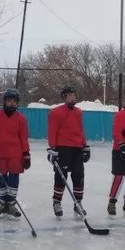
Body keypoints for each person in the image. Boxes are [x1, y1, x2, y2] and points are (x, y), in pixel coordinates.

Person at [0, 88, 31, 218]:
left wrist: (26, 154)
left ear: (17, 103)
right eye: (9, 101)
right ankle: (3, 203)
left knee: (13, 179)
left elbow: (24, 137)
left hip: (15, 154)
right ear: (4, 101)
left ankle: (11, 204)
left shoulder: (21, 118)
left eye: (14, 101)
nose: (12, 104)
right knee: (1, 179)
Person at [47, 85, 90, 217]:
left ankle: (78, 203)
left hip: (77, 148)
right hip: (62, 148)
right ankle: (57, 202)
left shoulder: (78, 112)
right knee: (61, 176)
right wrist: (52, 148)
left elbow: (80, 129)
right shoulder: (55, 112)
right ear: (64, 97)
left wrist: (85, 146)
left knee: (78, 175)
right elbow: (52, 131)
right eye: (69, 95)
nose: (72, 97)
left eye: (73, 95)